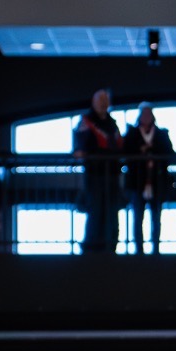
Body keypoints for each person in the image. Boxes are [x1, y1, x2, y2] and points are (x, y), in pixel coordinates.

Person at [122, 104, 176, 254]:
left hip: (157, 181)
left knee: (156, 217)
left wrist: (153, 151)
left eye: (149, 113)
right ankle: (139, 250)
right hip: (137, 182)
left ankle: (156, 249)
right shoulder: (132, 134)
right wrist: (141, 151)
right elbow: (125, 153)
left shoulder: (161, 134)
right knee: (138, 217)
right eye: (143, 114)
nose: (146, 117)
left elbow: (170, 154)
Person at [73, 89, 122, 253]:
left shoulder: (112, 123)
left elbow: (118, 146)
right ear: (93, 102)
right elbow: (80, 146)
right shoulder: (86, 122)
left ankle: (111, 248)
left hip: (113, 175)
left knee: (112, 215)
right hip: (95, 175)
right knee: (95, 213)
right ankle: (92, 251)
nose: (103, 103)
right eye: (100, 99)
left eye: (105, 100)